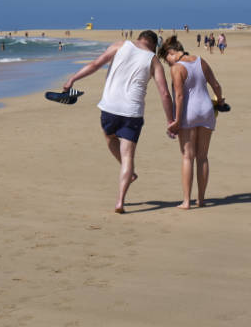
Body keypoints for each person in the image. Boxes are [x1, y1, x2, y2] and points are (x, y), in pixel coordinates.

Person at [61, 30, 176, 213]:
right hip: (132, 113)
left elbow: (95, 64)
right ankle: (120, 201)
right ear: (153, 44)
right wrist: (171, 121)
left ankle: (128, 173)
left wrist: (73, 78)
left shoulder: (120, 45)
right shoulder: (153, 60)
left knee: (110, 138)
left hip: (110, 108)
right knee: (128, 156)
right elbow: (164, 93)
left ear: (139, 39)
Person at [161, 36, 222, 208]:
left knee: (187, 156)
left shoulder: (177, 68)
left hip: (189, 112)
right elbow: (216, 85)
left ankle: (186, 201)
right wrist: (221, 102)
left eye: (167, 59)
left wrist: (177, 120)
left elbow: (179, 96)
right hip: (207, 110)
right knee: (202, 156)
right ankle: (201, 199)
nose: (168, 63)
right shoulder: (201, 61)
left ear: (171, 53)